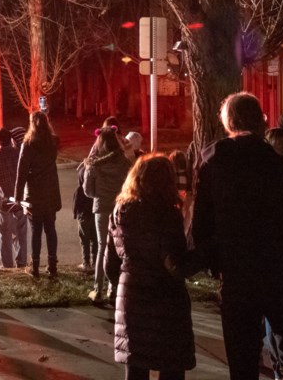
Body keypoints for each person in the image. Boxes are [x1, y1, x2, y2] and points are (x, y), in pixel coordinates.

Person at [192, 92, 283, 380]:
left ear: (228, 123)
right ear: (261, 122)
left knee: (243, 364)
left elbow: (200, 229)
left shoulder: (213, 167)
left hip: (239, 279)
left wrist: (218, 264)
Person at [105, 154, 197, 380]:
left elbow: (110, 264)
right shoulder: (166, 214)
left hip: (132, 299)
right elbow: (174, 264)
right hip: (166, 303)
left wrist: (127, 282)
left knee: (136, 367)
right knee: (171, 365)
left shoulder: (119, 212)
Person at [83, 126, 132, 303]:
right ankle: (114, 288)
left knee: (102, 247)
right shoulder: (125, 163)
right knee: (118, 249)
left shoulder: (94, 165)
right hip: (120, 208)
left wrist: (100, 192)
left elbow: (88, 191)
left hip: (102, 208)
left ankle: (98, 289)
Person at [14, 110, 62, 279]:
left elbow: (21, 172)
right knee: (51, 229)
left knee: (35, 230)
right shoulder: (53, 142)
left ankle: (34, 266)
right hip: (51, 192)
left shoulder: (28, 144)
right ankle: (52, 265)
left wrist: (18, 197)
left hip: (34, 193)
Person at [0, 127, 28, 268]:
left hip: (4, 201)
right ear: (10, 139)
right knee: (21, 233)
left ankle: (7, 265)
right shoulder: (19, 154)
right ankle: (22, 262)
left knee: (4, 235)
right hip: (20, 199)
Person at [73, 158, 97, 273]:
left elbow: (76, 204)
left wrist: (75, 214)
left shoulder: (79, 190)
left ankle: (86, 262)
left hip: (83, 216)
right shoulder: (94, 189)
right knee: (94, 239)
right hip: (93, 214)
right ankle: (95, 262)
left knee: (84, 239)